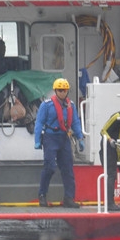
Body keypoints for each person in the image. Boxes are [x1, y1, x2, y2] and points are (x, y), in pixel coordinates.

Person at [34, 78, 85, 208]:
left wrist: (80, 138)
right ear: (56, 90)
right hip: (50, 138)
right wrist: (37, 140)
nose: (62, 92)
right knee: (49, 167)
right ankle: (42, 195)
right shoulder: (46, 105)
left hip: (64, 138)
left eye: (64, 90)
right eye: (60, 90)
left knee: (68, 169)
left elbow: (75, 122)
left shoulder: (70, 105)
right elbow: (39, 122)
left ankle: (69, 198)